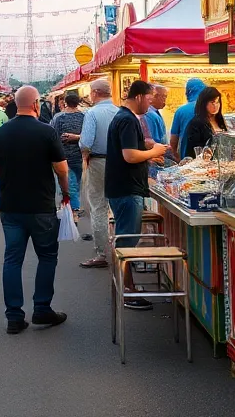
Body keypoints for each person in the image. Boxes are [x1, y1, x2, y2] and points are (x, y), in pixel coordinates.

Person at [0, 85, 70, 334]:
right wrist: (65, 193)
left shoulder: (2, 132)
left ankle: (14, 316)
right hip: (41, 206)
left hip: (11, 206)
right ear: (35, 105)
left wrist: (9, 172)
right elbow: (62, 169)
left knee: (12, 259)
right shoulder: (46, 132)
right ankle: (42, 308)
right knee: (47, 257)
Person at [106, 79, 168, 310]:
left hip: (123, 186)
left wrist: (148, 149)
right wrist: (153, 150)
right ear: (140, 96)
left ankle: (125, 286)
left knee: (125, 240)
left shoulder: (124, 117)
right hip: (125, 188)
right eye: (150, 99)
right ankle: (127, 290)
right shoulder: (128, 119)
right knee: (127, 242)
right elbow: (130, 156)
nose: (150, 104)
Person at [77, 78, 119, 268]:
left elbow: (85, 142)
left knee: (98, 207)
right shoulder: (119, 112)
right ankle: (122, 247)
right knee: (118, 206)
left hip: (99, 161)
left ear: (95, 93)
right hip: (120, 162)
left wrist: (85, 155)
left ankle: (101, 253)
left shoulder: (92, 113)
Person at [49, 91, 85, 218]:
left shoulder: (59, 117)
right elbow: (87, 136)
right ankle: (73, 206)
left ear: (65, 103)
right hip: (80, 155)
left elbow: (53, 135)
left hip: (62, 155)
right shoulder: (84, 116)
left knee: (68, 181)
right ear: (78, 102)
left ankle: (71, 207)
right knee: (76, 181)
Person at [181, 86, 225, 160]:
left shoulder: (220, 120)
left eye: (218, 102)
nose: (215, 105)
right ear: (204, 103)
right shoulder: (196, 123)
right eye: (212, 102)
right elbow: (193, 151)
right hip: (203, 165)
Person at [169, 78, 205, 161]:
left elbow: (174, 139)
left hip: (186, 154)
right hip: (207, 154)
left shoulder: (181, 110)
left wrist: (175, 154)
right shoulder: (209, 108)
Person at [144, 84, 173, 165]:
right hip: (155, 160)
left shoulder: (153, 113)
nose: (165, 100)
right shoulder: (149, 115)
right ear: (154, 96)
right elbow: (150, 142)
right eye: (164, 97)